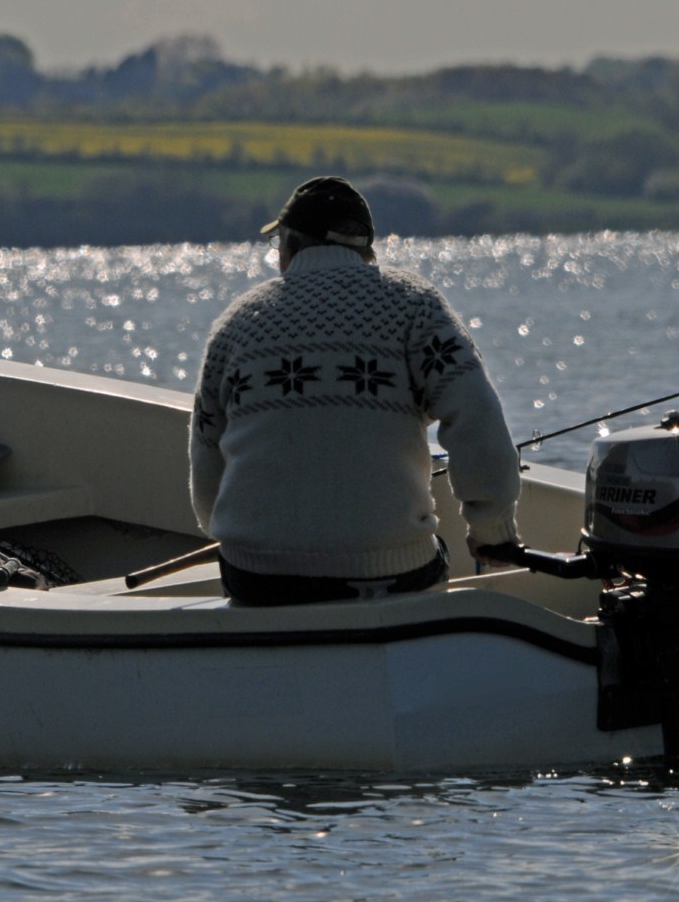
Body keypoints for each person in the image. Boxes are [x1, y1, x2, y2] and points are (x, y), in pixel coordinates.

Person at [189, 176, 520, 605]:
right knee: (436, 556)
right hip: (390, 572)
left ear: (289, 246)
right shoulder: (414, 303)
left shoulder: (235, 324)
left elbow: (206, 455)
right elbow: (476, 415)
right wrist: (492, 530)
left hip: (257, 577)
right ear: (366, 250)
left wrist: (232, 532)